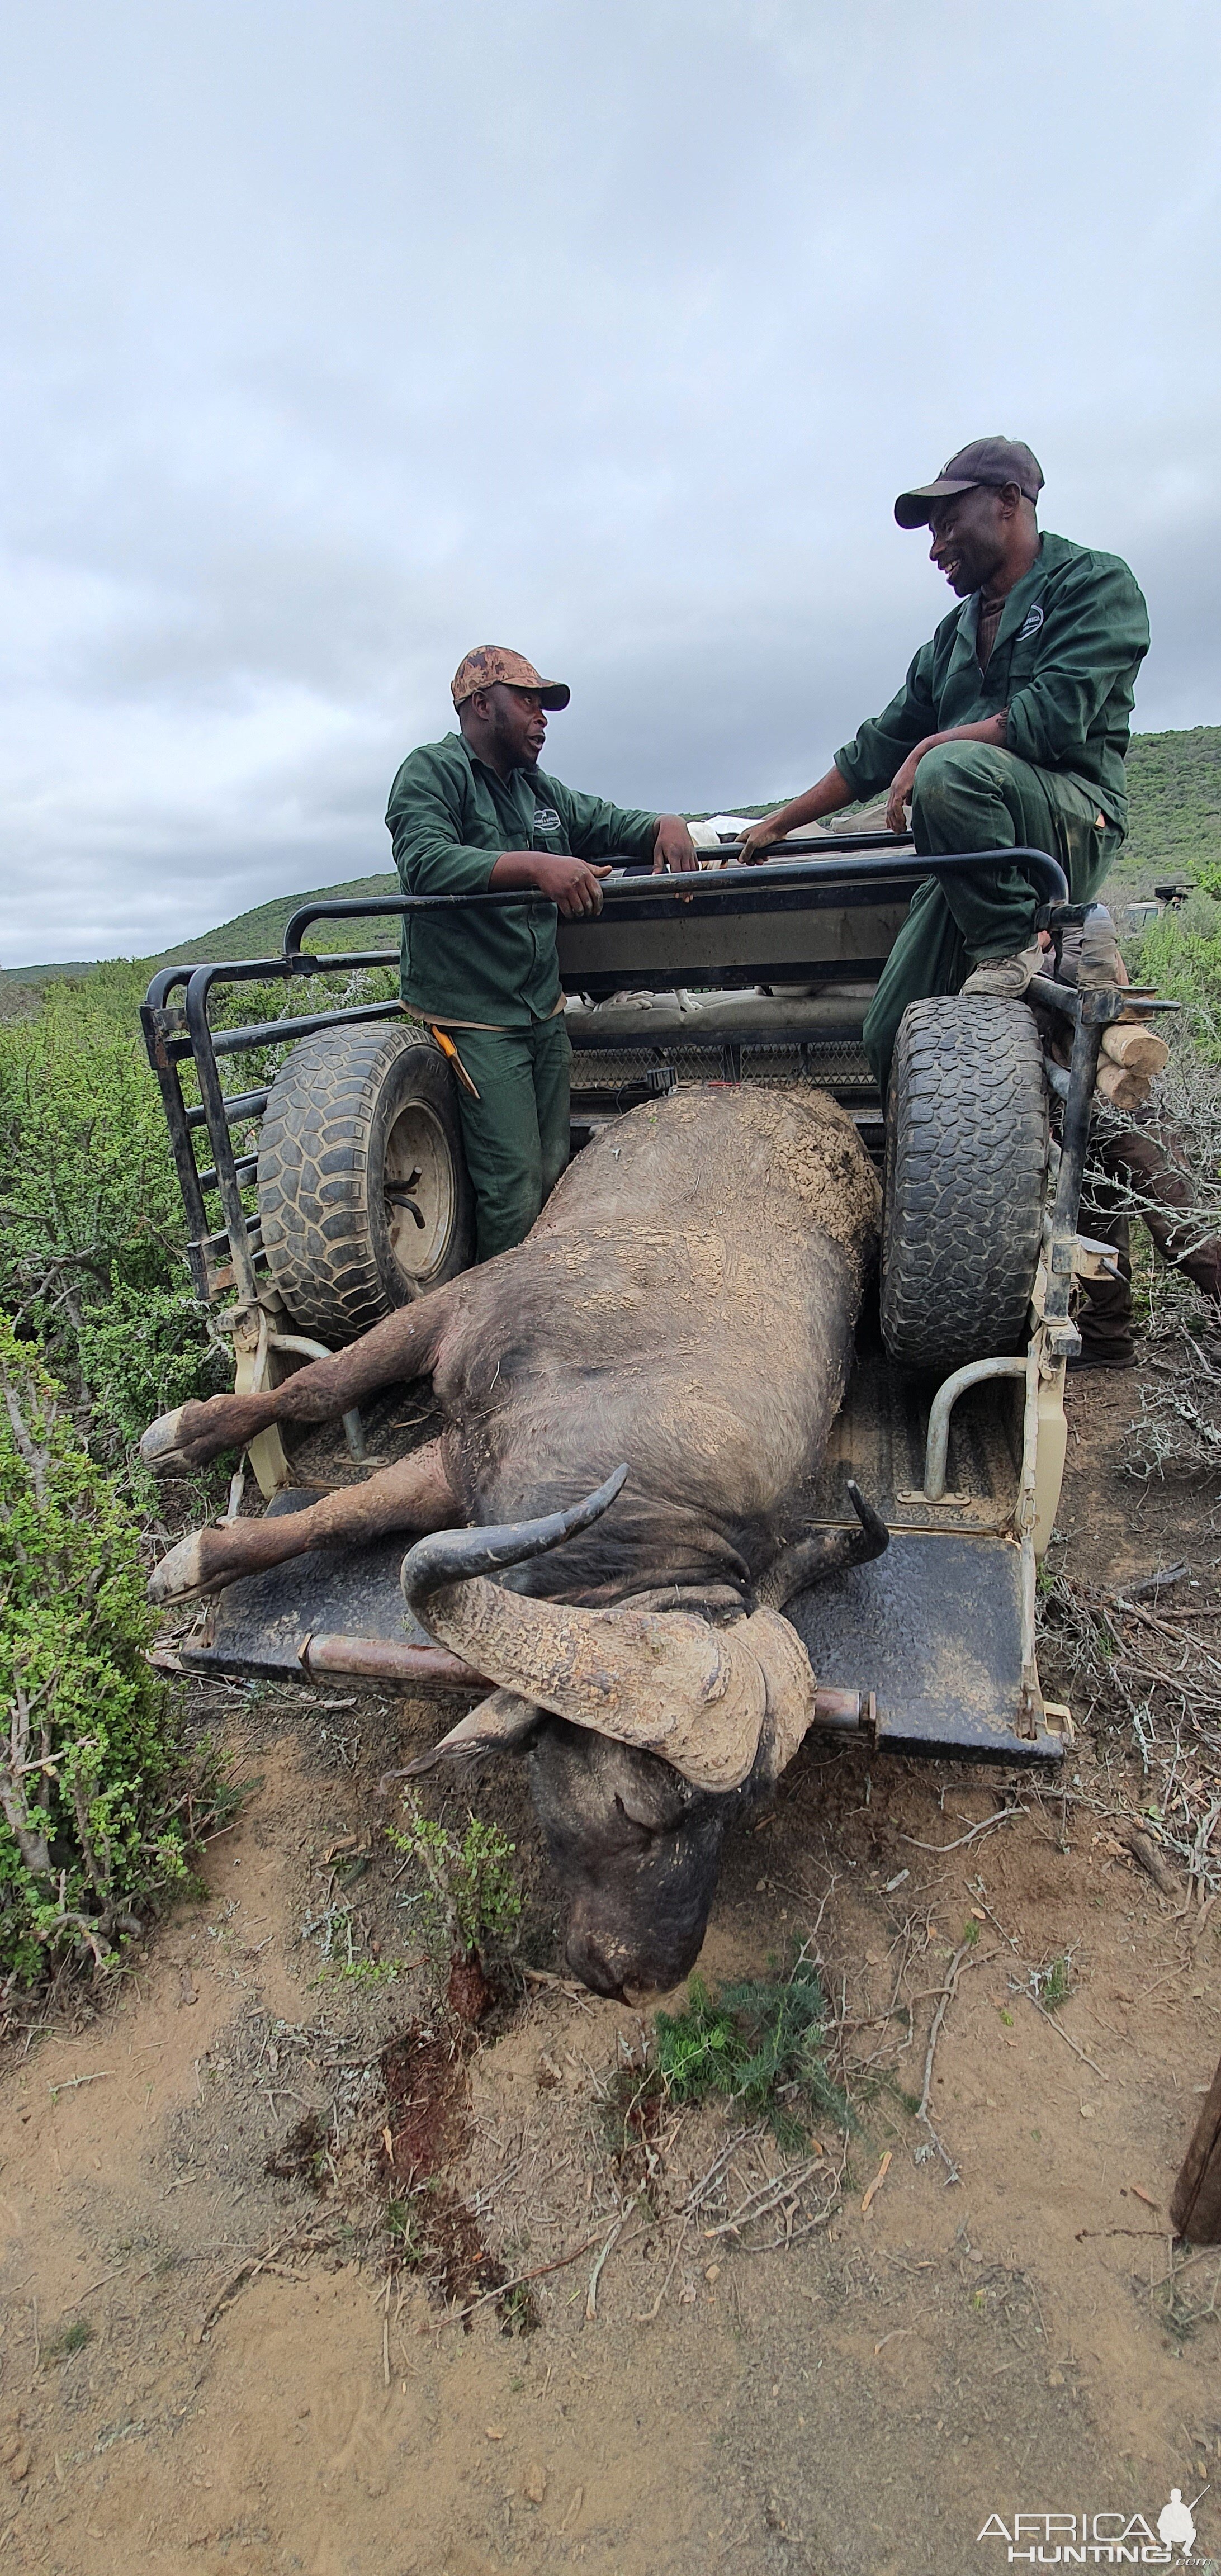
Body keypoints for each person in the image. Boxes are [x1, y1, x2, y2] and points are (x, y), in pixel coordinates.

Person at [738, 438, 1150, 1091]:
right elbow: (877, 748)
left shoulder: (1094, 583)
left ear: (1009, 503)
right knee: (889, 1034)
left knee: (952, 770)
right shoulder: (953, 634)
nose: (935, 549)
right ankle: (938, 1169)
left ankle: (1017, 944)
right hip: (968, 856)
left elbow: (1052, 719)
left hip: (1069, 823)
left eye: (948, 524)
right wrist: (778, 824)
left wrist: (933, 750)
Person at [386, 646, 697, 1260]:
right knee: (514, 1186)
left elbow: (606, 822)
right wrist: (536, 867)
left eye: (544, 706)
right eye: (527, 702)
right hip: (475, 1014)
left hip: (539, 1008)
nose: (542, 717)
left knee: (555, 1169)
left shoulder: (536, 789)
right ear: (481, 705)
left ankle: (550, 1295)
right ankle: (504, 1334)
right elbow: (424, 862)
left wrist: (664, 823)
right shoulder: (432, 772)